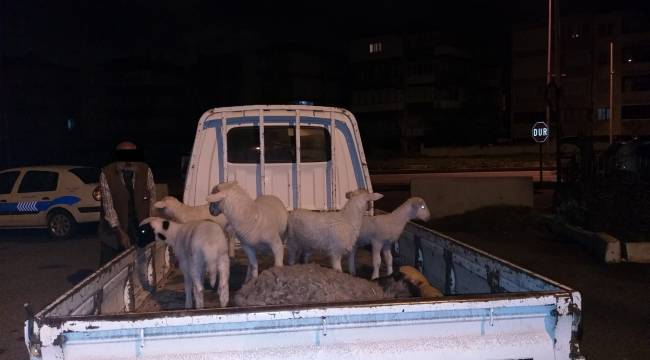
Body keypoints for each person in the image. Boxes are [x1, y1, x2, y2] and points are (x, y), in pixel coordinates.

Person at [98, 141, 156, 266]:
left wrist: (151, 223)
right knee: (111, 268)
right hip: (113, 231)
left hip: (138, 226)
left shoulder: (145, 170)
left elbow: (152, 199)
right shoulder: (106, 173)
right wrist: (120, 232)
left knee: (141, 264)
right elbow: (109, 208)